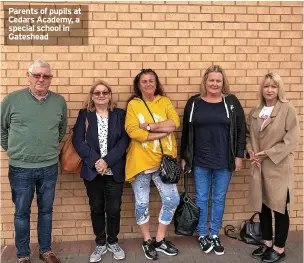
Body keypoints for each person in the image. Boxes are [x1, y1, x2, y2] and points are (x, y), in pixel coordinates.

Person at [1, 60, 67, 263]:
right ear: (28, 76)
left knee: (46, 211)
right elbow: (2, 130)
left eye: (46, 76)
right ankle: (22, 254)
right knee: (22, 212)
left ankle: (45, 250)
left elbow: (61, 130)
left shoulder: (59, 101)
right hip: (21, 167)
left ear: (51, 79)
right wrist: (13, 151)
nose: (41, 79)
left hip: (48, 166)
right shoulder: (12, 100)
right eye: (37, 75)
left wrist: (47, 150)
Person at [180, 65, 246, 256]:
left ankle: (214, 233)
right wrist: (184, 156)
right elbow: (186, 132)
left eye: (218, 80)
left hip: (224, 160)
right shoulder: (194, 103)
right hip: (200, 160)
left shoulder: (231, 102)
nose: (215, 84)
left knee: (218, 198)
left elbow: (241, 130)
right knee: (201, 198)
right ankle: (202, 234)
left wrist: (239, 155)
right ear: (205, 81)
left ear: (223, 82)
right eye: (211, 80)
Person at [125, 69, 180, 260]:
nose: (148, 84)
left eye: (151, 81)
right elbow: (133, 132)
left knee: (172, 199)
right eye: (144, 81)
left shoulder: (164, 101)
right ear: (138, 85)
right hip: (140, 163)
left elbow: (174, 123)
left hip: (163, 163)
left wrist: (149, 127)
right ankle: (147, 240)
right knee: (142, 203)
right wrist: (160, 132)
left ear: (156, 84)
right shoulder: (134, 104)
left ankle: (160, 239)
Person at [72, 80, 129, 262]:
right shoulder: (85, 115)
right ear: (92, 96)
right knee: (96, 208)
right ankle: (100, 243)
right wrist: (97, 161)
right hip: (92, 170)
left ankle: (113, 241)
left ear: (110, 95)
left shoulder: (119, 115)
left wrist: (107, 161)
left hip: (114, 170)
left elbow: (124, 141)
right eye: (97, 93)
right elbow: (78, 140)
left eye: (105, 92)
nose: (101, 95)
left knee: (113, 209)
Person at [246, 73, 300, 263]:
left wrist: (268, 153)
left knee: (279, 208)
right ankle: (267, 243)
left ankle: (279, 248)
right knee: (263, 206)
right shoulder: (255, 112)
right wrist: (251, 151)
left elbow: (291, 140)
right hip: (258, 166)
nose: (269, 90)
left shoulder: (287, 109)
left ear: (279, 89)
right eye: (266, 86)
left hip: (278, 167)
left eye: (273, 87)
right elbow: (248, 136)